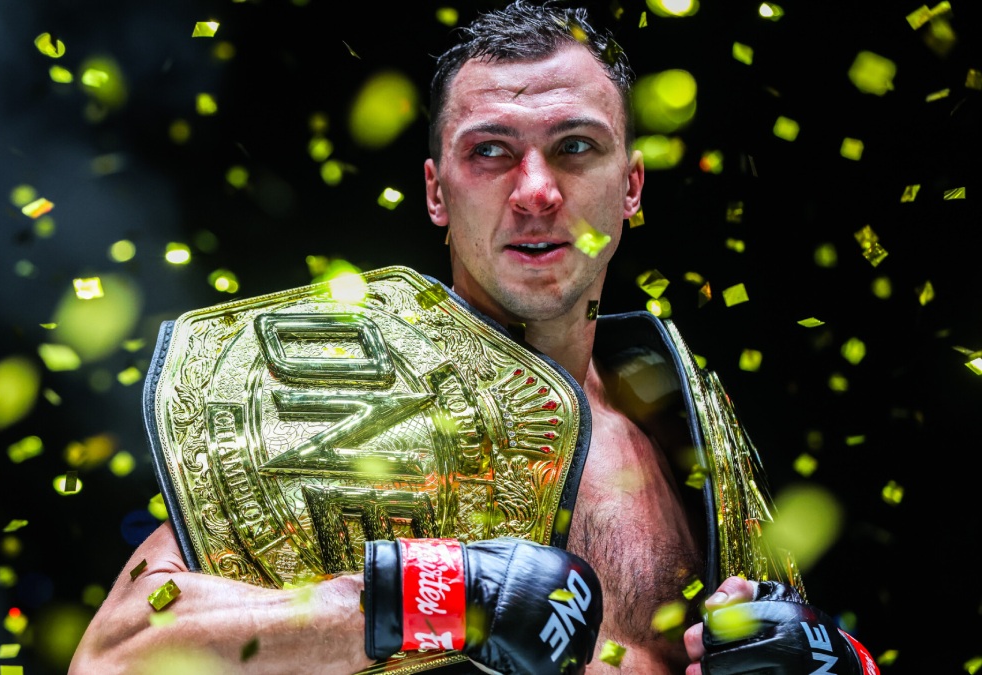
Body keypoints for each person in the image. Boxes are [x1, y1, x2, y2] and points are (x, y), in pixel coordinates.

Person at [70, 2, 880, 673]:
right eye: (491, 151)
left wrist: (845, 662)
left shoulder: (685, 426)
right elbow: (116, 655)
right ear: (436, 192)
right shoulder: (338, 399)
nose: (536, 191)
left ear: (631, 184)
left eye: (575, 147)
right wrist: (439, 595)